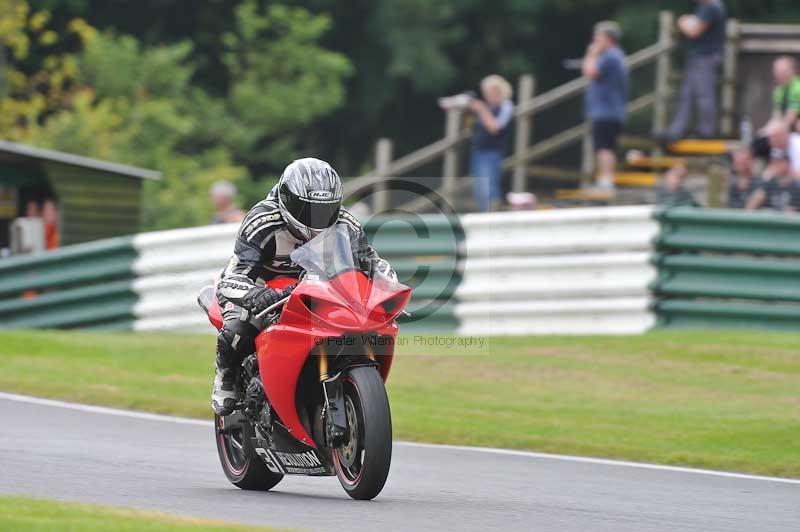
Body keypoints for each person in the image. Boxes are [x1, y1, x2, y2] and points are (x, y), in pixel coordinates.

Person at [211, 158, 396, 415]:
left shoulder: (346, 223)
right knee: (239, 326)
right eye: (306, 209)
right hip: (263, 283)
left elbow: (372, 265)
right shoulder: (262, 221)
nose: (316, 218)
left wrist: (388, 290)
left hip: (315, 284)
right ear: (287, 199)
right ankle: (225, 376)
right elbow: (237, 274)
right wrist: (256, 295)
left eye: (324, 209)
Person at [664, 0, 727, 141]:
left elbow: (694, 31)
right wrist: (689, 21)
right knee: (687, 94)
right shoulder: (704, 7)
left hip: (706, 57)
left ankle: (706, 131)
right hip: (698, 57)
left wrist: (682, 21)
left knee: (705, 94)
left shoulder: (712, 7)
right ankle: (676, 130)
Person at [583, 21, 629, 191]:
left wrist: (591, 53)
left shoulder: (610, 56)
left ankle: (606, 180)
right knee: (605, 146)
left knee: (604, 147)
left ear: (608, 39)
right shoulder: (616, 56)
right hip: (611, 111)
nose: (595, 41)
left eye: (598, 38)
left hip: (606, 112)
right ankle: (605, 179)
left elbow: (590, 72)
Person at [468, 75, 514, 212]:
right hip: (478, 152)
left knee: (489, 190)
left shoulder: (506, 106)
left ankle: (492, 217)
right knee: (479, 191)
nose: (488, 95)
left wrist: (482, 110)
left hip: (492, 153)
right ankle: (485, 217)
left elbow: (495, 127)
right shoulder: (488, 107)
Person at [751, 56, 800, 159]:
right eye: (777, 70)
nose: (780, 74)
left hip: (794, 131)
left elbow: (790, 118)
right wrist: (762, 133)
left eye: (784, 70)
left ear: (793, 70)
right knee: (757, 142)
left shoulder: (797, 87)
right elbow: (776, 118)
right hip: (788, 130)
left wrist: (775, 134)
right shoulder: (779, 91)